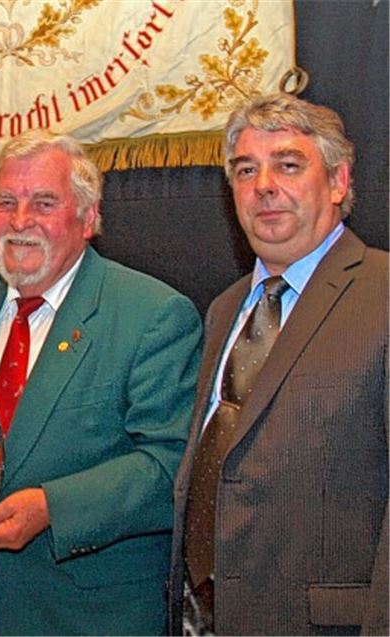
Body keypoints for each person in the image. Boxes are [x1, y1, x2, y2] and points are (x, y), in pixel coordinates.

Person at [0, 130, 202, 634]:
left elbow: (171, 466)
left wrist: (51, 508)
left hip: (92, 617)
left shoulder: (151, 314)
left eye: (44, 203)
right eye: (6, 202)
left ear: (88, 219)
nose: (21, 221)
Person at [170, 93, 388, 635]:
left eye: (288, 164)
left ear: (338, 181)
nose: (263, 184)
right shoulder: (225, 310)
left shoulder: (383, 294)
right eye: (246, 169)